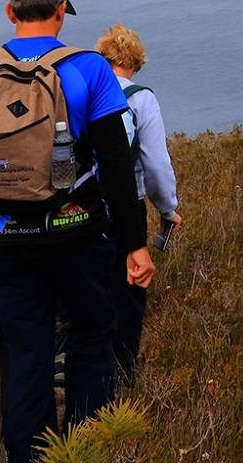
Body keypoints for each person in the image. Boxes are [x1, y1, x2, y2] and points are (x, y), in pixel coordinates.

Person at [0, 0, 155, 463]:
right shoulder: (90, 69)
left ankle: (29, 456)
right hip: (79, 233)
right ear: (61, 13)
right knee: (92, 337)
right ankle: (85, 447)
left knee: (25, 351)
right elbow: (117, 165)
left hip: (5, 240)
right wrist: (134, 244)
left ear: (10, 13)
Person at [95, 23, 181, 384]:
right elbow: (156, 165)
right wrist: (168, 209)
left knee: (85, 293)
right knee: (127, 294)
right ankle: (121, 375)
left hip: (76, 209)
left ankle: (75, 373)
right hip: (124, 209)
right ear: (136, 62)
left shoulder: (83, 92)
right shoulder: (141, 98)